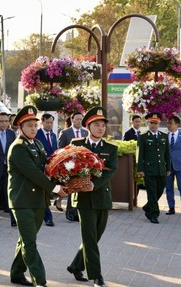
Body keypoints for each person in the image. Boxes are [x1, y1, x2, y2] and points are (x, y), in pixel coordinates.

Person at [7, 105, 67, 287]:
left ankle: (16, 273)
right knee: (30, 242)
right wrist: (56, 189)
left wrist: (65, 177)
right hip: (22, 201)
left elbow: (47, 169)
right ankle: (39, 280)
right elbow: (34, 173)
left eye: (35, 125)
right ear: (20, 127)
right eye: (29, 125)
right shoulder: (17, 147)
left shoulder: (38, 144)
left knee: (26, 239)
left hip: (39, 200)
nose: (33, 128)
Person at [66, 107, 118, 287]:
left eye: (103, 125)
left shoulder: (111, 148)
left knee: (95, 237)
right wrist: (76, 183)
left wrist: (94, 184)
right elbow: (68, 165)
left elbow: (110, 173)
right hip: (83, 199)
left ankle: (75, 265)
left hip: (102, 197)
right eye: (97, 125)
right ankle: (96, 276)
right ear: (88, 126)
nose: (101, 128)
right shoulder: (77, 144)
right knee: (89, 238)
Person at [137, 113, 171, 224]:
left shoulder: (164, 136)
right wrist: (140, 169)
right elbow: (140, 154)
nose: (153, 125)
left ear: (159, 123)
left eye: (156, 123)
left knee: (160, 190)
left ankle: (148, 206)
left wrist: (168, 168)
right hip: (149, 170)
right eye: (151, 123)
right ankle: (153, 214)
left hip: (161, 169)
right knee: (151, 193)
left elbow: (167, 154)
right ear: (147, 123)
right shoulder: (143, 136)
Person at [58, 111, 89, 221]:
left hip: (83, 166)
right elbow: (60, 150)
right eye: (77, 119)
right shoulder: (65, 133)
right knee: (71, 188)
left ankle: (78, 212)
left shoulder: (86, 132)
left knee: (80, 188)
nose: (79, 121)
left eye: (81, 119)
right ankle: (70, 213)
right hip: (69, 165)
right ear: (72, 120)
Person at [34, 112, 57, 226]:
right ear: (42, 122)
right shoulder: (36, 134)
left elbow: (55, 151)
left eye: (51, 123)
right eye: (47, 122)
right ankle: (48, 217)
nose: (49, 125)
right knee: (43, 193)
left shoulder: (53, 135)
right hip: (40, 168)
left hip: (51, 168)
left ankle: (44, 215)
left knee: (46, 193)